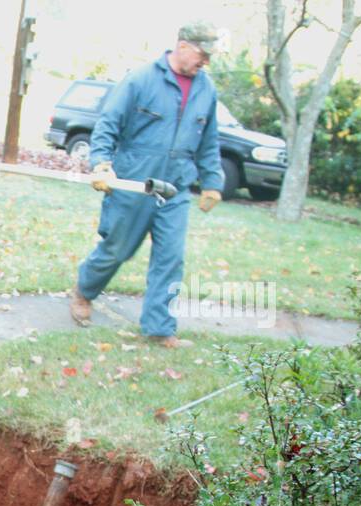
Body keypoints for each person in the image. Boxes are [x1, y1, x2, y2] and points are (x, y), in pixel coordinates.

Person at [69, 21, 225, 347]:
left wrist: (212, 182)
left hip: (175, 187)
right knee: (117, 249)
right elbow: (109, 123)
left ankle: (159, 328)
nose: (205, 62)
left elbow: (209, 140)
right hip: (132, 182)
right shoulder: (141, 79)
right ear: (183, 46)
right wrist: (101, 163)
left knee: (171, 257)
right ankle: (85, 290)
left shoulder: (205, 89)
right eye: (202, 54)